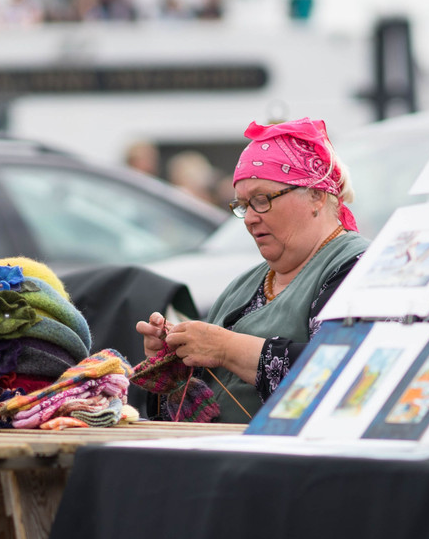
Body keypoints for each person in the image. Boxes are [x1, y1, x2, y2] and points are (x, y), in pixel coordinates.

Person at [136, 117, 368, 422]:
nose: (249, 218)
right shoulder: (243, 287)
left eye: (261, 200)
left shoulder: (358, 267)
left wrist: (225, 349)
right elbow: (200, 404)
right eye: (243, 205)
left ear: (316, 195)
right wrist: (174, 369)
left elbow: (344, 374)